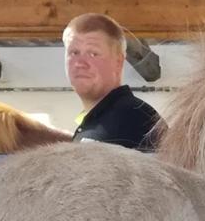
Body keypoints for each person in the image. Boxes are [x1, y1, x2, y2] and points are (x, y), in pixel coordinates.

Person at [63, 13, 163, 150]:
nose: (80, 63)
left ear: (118, 62)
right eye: (74, 53)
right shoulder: (96, 122)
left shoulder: (134, 119)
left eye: (93, 53)